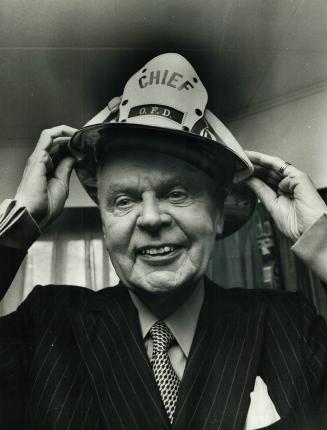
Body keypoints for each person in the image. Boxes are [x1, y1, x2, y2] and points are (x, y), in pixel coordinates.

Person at [0, 53, 326, 430]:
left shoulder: (288, 326)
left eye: (177, 193)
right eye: (124, 200)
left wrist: (324, 243)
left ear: (218, 214)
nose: (152, 218)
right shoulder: (47, 323)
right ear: (105, 222)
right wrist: (19, 223)